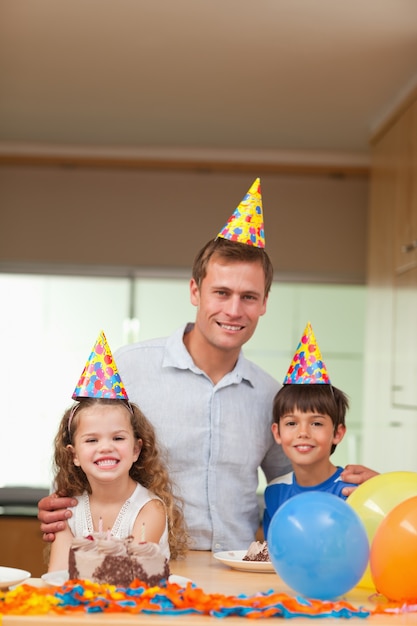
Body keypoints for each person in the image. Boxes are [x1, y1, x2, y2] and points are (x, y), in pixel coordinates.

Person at [38, 179, 377, 552]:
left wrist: (363, 492)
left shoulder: (271, 395)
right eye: (221, 293)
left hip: (237, 568)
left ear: (264, 302)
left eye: (248, 296)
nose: (234, 310)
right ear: (195, 292)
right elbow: (81, 456)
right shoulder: (128, 370)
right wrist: (60, 505)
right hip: (143, 566)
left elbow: (295, 477)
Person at [48, 332, 188, 572]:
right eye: (91, 439)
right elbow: (58, 577)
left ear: (136, 449)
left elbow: (128, 575)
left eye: (118, 438)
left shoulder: (149, 509)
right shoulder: (69, 514)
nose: (105, 447)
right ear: (74, 455)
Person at [263, 322, 359, 538]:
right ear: (277, 433)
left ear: (338, 433)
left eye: (316, 423)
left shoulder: (351, 492)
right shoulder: (275, 492)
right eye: (291, 423)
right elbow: (272, 556)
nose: (303, 432)